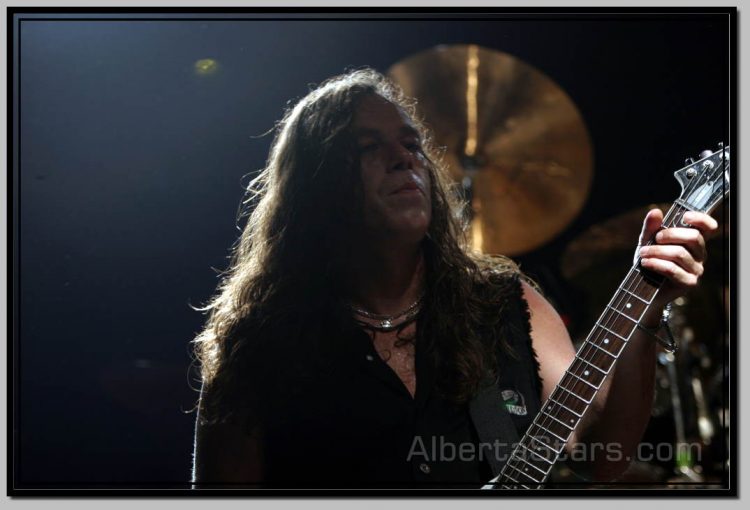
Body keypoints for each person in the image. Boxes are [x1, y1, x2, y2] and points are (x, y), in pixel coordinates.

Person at [190, 69, 718, 488]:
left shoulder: (502, 300)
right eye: (368, 146)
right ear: (315, 186)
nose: (403, 158)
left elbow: (602, 456)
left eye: (412, 144)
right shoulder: (257, 348)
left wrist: (647, 306)